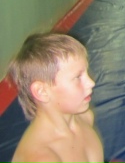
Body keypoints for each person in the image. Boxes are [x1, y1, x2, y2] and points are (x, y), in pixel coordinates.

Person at [8, 32, 104, 163]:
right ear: (42, 91)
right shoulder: (42, 158)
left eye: (86, 72)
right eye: (78, 77)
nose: (91, 83)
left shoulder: (85, 117)